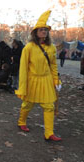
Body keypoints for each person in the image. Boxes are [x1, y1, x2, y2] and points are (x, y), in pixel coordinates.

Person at [15, 10, 62, 142]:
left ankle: (49, 133)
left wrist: (56, 80)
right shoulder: (29, 47)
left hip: (46, 80)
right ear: (35, 32)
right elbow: (23, 68)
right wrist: (23, 86)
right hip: (32, 81)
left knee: (49, 106)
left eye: (45, 30)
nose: (44, 32)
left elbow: (53, 66)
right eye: (41, 30)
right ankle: (21, 121)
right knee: (27, 104)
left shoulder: (52, 47)